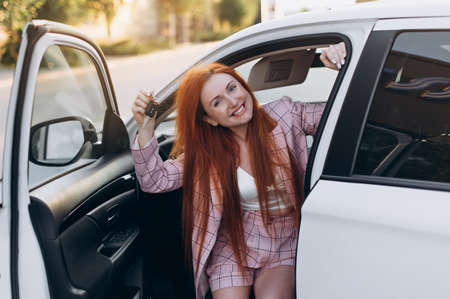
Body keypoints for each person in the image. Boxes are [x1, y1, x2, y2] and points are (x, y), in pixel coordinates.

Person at [131, 42, 347, 299]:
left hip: (285, 235)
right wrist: (145, 127)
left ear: (243, 85)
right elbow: (155, 181)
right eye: (218, 102)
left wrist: (341, 71)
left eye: (233, 88)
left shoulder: (285, 114)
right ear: (210, 119)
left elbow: (344, 117)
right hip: (234, 241)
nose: (233, 102)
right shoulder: (206, 153)